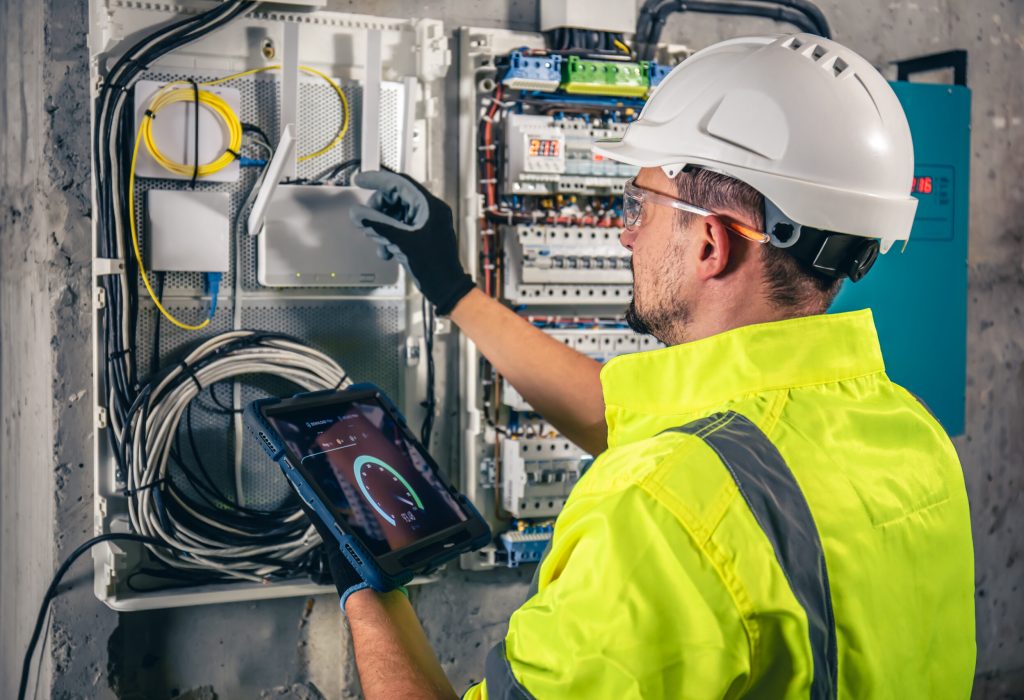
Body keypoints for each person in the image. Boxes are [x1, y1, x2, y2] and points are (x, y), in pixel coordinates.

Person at [303, 33, 976, 698]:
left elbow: (683, 493)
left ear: (711, 243)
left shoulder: (662, 509)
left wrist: (368, 588)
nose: (626, 233)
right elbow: (633, 425)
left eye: (641, 206)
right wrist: (453, 289)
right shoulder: (910, 433)